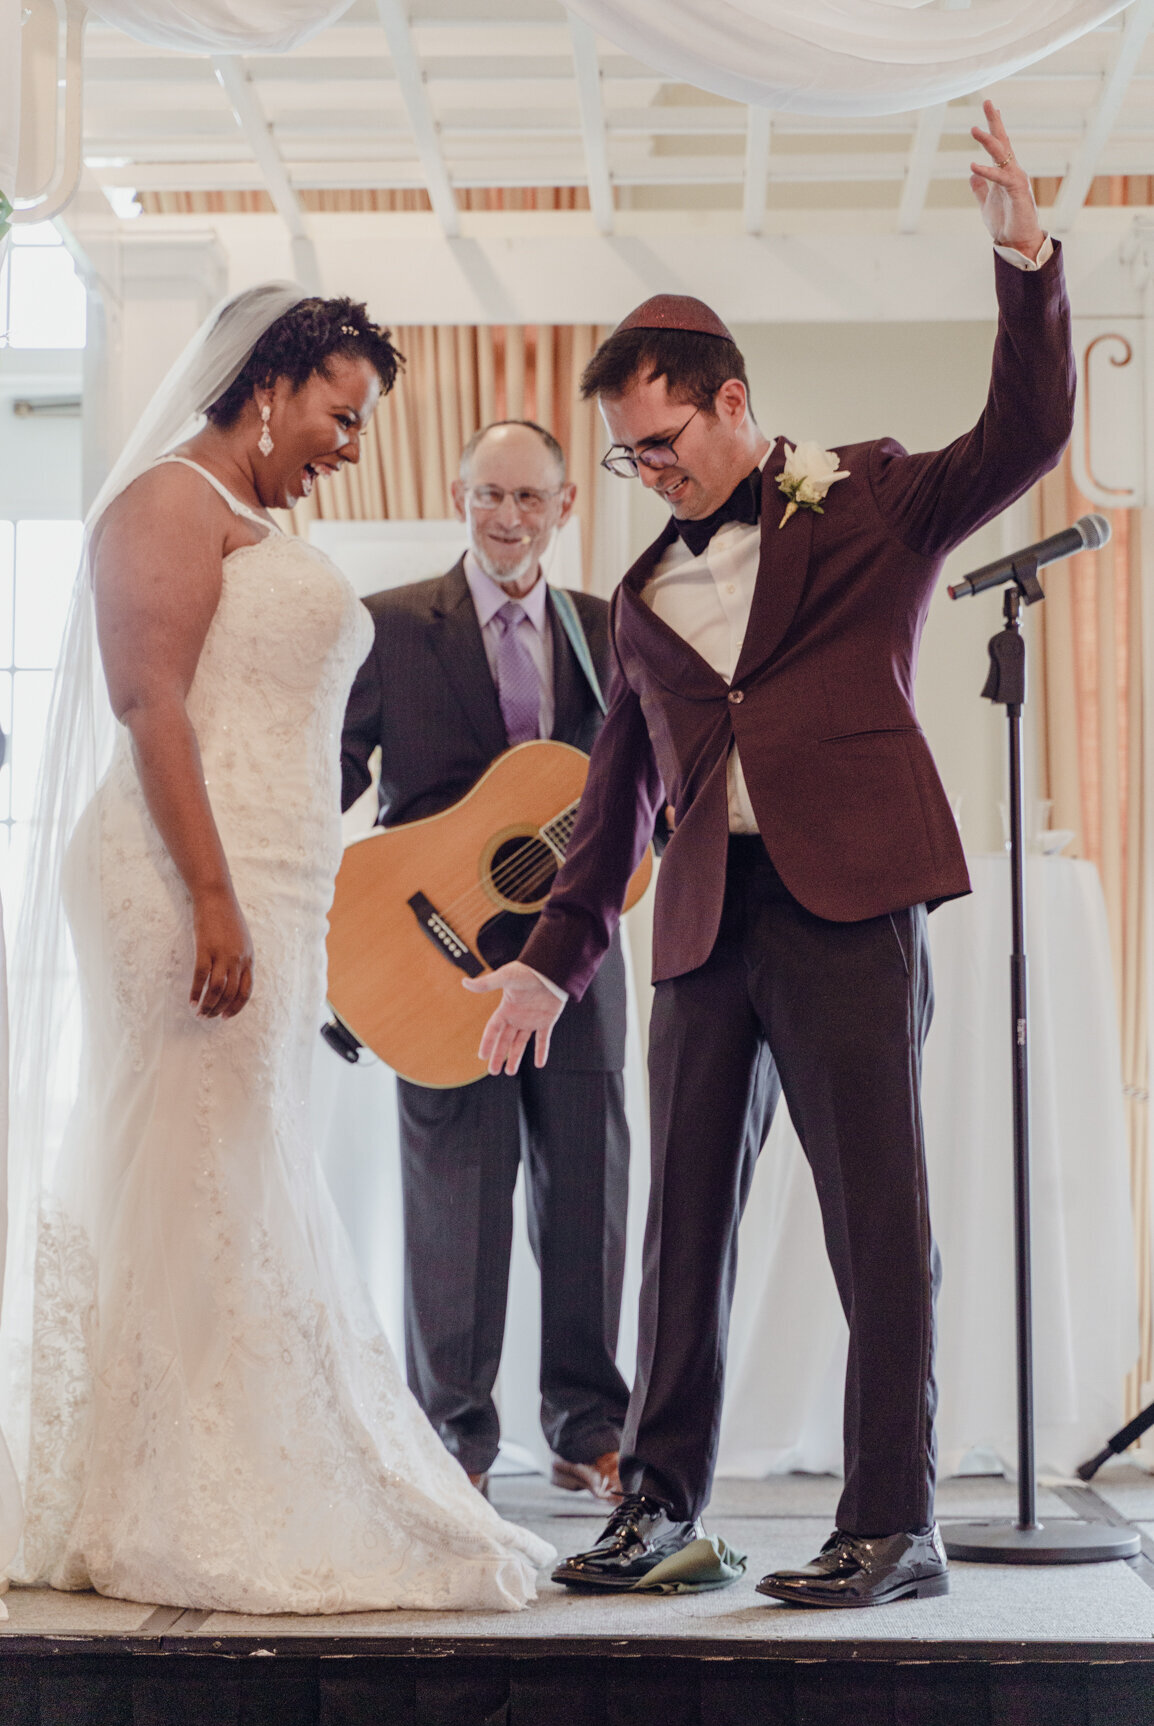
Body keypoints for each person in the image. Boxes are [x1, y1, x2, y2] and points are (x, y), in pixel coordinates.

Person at [466, 104, 1076, 1607]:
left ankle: (893, 1522)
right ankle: (661, 1509)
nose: (644, 469)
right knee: (677, 1231)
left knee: (880, 1218)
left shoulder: (869, 498)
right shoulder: (634, 595)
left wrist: (1026, 263)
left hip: (847, 905)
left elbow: (1026, 434)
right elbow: (611, 808)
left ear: (734, 404)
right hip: (701, 927)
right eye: (623, 455)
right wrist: (549, 968)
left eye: (660, 441)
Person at [7, 286, 552, 1614]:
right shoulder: (165, 503)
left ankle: (163, 1458)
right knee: (212, 1158)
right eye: (340, 413)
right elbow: (150, 706)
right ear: (272, 379)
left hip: (276, 883)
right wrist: (211, 896)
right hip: (184, 879)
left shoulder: (250, 518)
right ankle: (173, 1478)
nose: (351, 444)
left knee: (229, 1164)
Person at [340, 420, 631, 1504]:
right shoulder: (386, 628)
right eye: (486, 495)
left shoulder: (609, 632)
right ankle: (453, 1442)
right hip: (434, 964)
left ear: (563, 508)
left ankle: (588, 1429)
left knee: (589, 1200)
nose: (505, 517)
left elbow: (647, 795)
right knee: (453, 1206)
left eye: (527, 498)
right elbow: (333, 774)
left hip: (576, 968)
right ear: (459, 495)